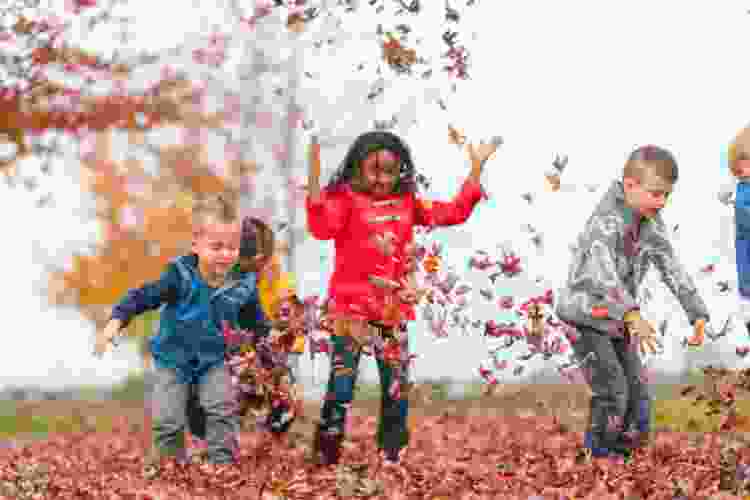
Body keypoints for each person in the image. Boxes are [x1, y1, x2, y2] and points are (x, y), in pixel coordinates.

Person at [305, 130, 498, 465]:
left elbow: (452, 212)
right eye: (374, 170)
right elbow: (323, 228)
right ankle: (325, 457)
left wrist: (476, 170)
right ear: (357, 168)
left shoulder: (408, 202)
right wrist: (313, 186)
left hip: (392, 312)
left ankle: (391, 454)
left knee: (396, 388)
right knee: (341, 387)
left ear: (401, 171)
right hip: (350, 311)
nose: (382, 179)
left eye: (390, 172)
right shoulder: (346, 198)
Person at [555, 145, 716, 461]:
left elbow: (670, 265)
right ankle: (599, 457)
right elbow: (602, 275)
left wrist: (695, 312)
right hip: (584, 316)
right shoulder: (605, 222)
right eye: (656, 194)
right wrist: (631, 313)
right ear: (630, 185)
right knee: (613, 389)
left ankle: (628, 457)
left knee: (638, 389)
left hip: (619, 319)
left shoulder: (652, 223)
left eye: (667, 195)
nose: (662, 202)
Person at [94, 194, 267, 473]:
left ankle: (221, 464)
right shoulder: (180, 276)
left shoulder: (242, 285)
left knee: (221, 407)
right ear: (196, 245)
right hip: (173, 359)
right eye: (216, 247)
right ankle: (170, 465)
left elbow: (256, 324)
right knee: (168, 419)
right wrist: (117, 320)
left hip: (214, 359)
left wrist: (269, 355)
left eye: (232, 248)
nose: (225, 254)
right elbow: (145, 296)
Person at [719, 126, 750, 334]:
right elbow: (722, 195)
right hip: (744, 241)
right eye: (738, 170)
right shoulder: (738, 184)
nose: (742, 173)